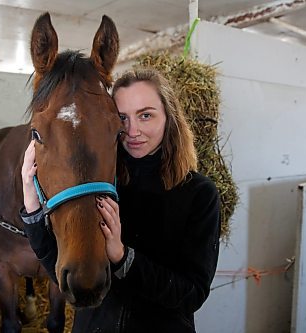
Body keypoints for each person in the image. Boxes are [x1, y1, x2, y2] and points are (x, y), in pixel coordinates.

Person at [20, 68, 221, 333]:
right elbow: (64, 268)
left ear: (169, 117)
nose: (133, 131)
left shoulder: (200, 194)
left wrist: (123, 257)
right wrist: (32, 204)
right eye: (122, 118)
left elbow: (192, 294)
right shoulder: (102, 184)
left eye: (146, 115)